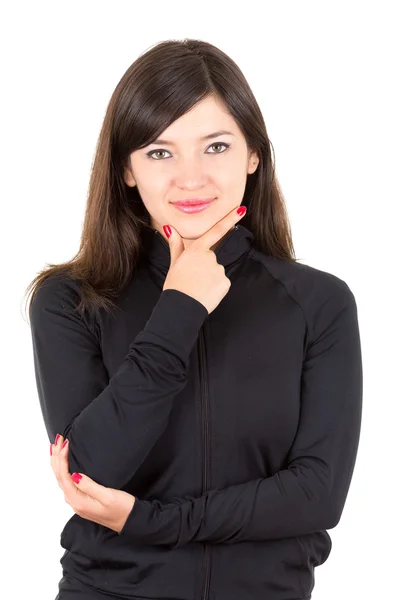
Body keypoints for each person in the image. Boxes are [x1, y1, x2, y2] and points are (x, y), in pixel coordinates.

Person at [24, 38, 363, 600]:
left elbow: (317, 495)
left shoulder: (319, 304)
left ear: (253, 155)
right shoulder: (70, 300)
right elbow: (89, 474)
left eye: (216, 146)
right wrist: (180, 309)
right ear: (126, 171)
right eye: (160, 152)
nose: (191, 178)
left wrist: (150, 522)